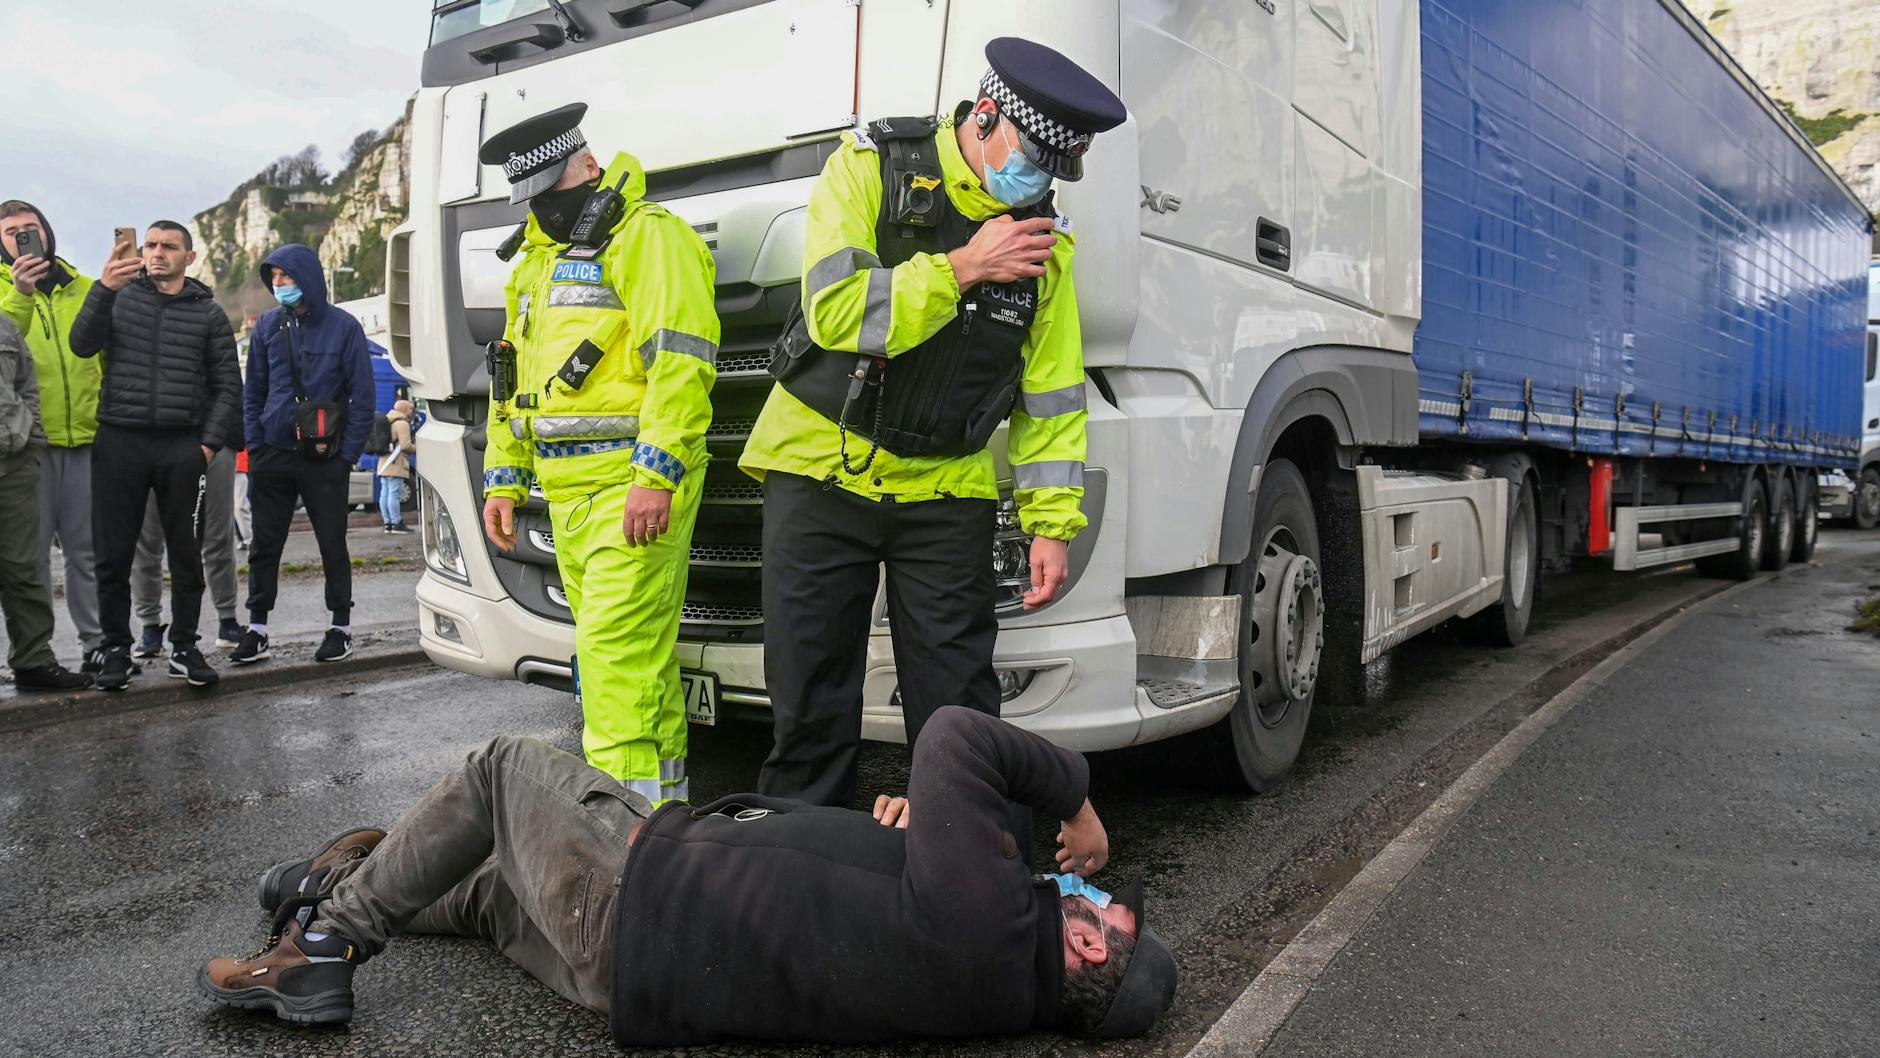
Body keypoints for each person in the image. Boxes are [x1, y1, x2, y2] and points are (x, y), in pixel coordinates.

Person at [197, 706, 1177, 1042]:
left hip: (643, 889)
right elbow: (875, 900)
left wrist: (1074, 794)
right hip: (627, 976)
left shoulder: (989, 923)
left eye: (1105, 908)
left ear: (1089, 944)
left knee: (501, 766)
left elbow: (955, 733)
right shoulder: (989, 974)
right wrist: (911, 831)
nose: (1094, 889)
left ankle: (322, 943)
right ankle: (340, 884)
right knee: (496, 895)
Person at [741, 38, 1126, 806]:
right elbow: (836, 311)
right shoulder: (869, 168)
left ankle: (962, 889)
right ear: (985, 116)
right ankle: (797, 888)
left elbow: (1049, 396)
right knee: (810, 711)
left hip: (946, 491)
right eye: (1031, 156)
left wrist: (1053, 522)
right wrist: (963, 267)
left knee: (961, 717)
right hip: (821, 470)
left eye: (1056, 168)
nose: (1039, 181)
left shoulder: (1046, 245)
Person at [475, 104, 719, 804]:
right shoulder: (536, 261)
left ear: (585, 165)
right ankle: (663, 821)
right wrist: (505, 477)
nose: (544, 211)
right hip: (569, 495)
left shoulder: (649, 238)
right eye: (532, 201)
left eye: (552, 193)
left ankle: (616, 845)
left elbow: (682, 365)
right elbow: (511, 378)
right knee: (632, 668)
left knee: (614, 670)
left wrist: (657, 474)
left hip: (628, 491)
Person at [69, 221, 241, 690]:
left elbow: (228, 387)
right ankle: (117, 649)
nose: (157, 253)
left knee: (186, 553)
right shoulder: (119, 296)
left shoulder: (208, 313)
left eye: (169, 246)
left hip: (180, 447)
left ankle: (184, 645)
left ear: (190, 256)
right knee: (113, 554)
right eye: (150, 245)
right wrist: (103, 289)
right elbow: (81, 345)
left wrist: (205, 445)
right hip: (119, 441)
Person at [228, 245, 374, 667]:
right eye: (274, 278)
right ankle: (256, 628)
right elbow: (252, 390)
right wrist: (255, 446)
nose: (279, 285)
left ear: (306, 277)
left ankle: (340, 626)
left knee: (332, 542)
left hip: (324, 456)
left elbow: (361, 396)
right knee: (264, 544)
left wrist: (346, 455)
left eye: (287, 277)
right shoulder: (268, 327)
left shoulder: (345, 327)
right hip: (272, 453)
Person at [0, 201, 107, 675]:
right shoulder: (5, 296)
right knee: (29, 559)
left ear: (47, 231)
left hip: (87, 439)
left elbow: (108, 359)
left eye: (31, 228)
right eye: (11, 232)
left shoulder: (85, 288)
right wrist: (21, 293)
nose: (24, 237)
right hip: (28, 445)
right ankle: (36, 656)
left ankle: (98, 642)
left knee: (88, 551)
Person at [0, 316, 91, 691]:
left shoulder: (4, 327)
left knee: (23, 567)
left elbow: (26, 385)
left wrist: (31, 438)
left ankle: (33, 660)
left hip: (14, 463)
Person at [129, 434, 244, 655]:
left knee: (218, 536)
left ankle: (228, 621)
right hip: (151, 440)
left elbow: (230, 398)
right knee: (146, 542)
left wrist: (219, 437)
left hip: (212, 439)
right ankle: (150, 625)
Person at [376, 399, 415, 533]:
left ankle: (387, 523)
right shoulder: (402, 423)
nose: (411, 411)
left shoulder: (388, 420)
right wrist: (420, 447)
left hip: (383, 463)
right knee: (394, 494)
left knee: (384, 493)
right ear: (404, 409)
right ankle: (397, 522)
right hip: (396, 463)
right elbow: (405, 446)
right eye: (410, 408)